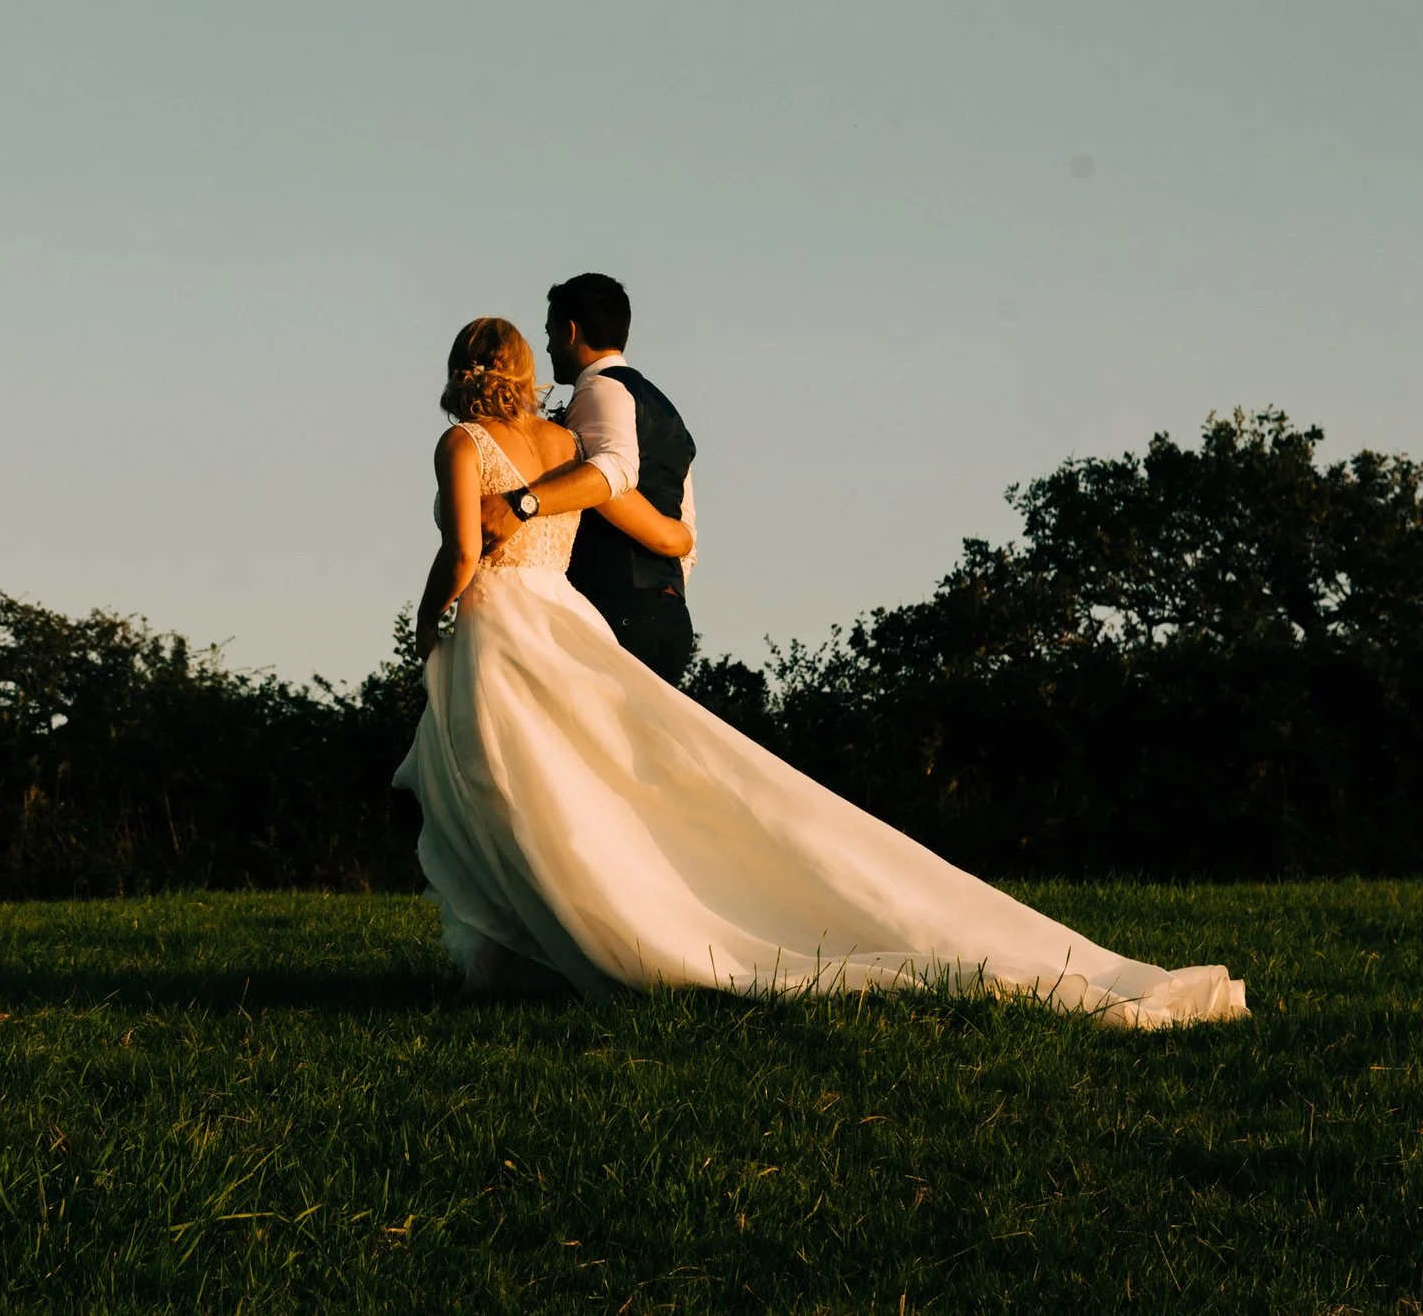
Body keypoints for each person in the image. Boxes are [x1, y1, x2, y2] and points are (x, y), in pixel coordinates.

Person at [393, 315, 1247, 1023]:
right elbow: (665, 531)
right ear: (523, 368)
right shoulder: (562, 439)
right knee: (584, 785)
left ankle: (545, 953)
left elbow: (464, 550)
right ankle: (526, 957)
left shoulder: (462, 442)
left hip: (502, 626)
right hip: (568, 621)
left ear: (462, 368)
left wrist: (429, 627)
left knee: (508, 788)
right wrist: (678, 543)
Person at [478, 273, 696, 683]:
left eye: (548, 332)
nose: (545, 346)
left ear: (570, 331)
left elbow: (614, 469)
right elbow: (685, 533)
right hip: (668, 616)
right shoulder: (668, 412)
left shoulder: (600, 389)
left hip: (616, 607)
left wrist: (521, 503)